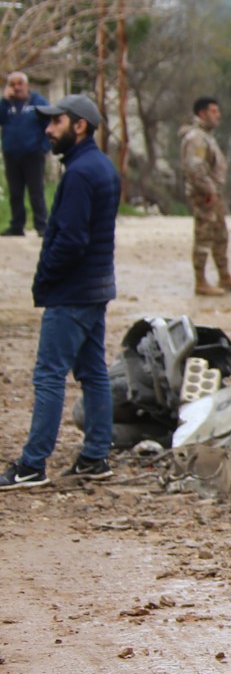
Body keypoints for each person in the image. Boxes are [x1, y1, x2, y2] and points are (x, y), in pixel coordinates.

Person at [0, 95, 119, 488]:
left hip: (72, 291)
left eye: (56, 123)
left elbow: (70, 239)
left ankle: (33, 464)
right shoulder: (101, 166)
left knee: (49, 375)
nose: (48, 131)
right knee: (93, 372)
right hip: (94, 287)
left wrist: (46, 277)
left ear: (79, 126)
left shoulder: (81, 172)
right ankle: (95, 456)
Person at [180, 96, 231, 296]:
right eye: (214, 111)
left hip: (214, 194)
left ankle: (224, 275)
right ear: (202, 113)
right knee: (204, 238)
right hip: (204, 195)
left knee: (220, 235)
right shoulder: (196, 137)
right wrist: (209, 190)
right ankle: (201, 280)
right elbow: (195, 167)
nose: (218, 115)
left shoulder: (206, 136)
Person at [0, 70, 50, 236]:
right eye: (12, 84)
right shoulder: (7, 104)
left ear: (26, 85)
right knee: (15, 193)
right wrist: (3, 100)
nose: (16, 88)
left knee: (36, 192)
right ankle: (17, 225)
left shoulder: (38, 102)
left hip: (33, 154)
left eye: (19, 83)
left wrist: (44, 147)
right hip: (11, 154)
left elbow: (49, 126)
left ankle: (41, 225)